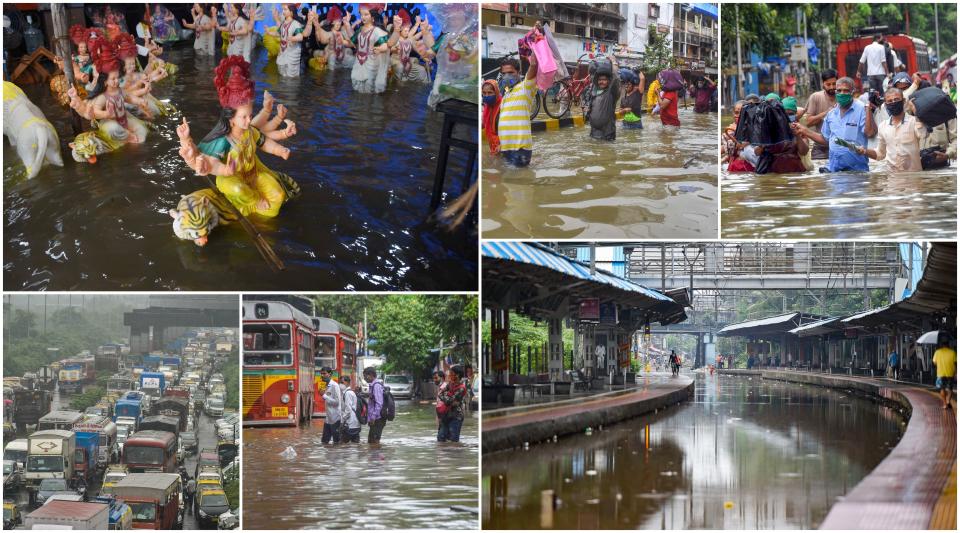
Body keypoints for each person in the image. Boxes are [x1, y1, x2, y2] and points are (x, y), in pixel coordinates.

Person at [175, 56, 301, 219]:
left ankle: (259, 216)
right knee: (237, 189)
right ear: (230, 118)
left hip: (253, 174)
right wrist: (188, 144)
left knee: (277, 195)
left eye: (250, 115)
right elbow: (211, 164)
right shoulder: (223, 140)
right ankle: (252, 203)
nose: (249, 121)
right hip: (230, 179)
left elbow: (264, 142)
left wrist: (279, 150)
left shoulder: (249, 131)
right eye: (244, 117)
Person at [794, 77, 874, 172]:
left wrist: (869, 109)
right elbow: (825, 139)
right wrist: (805, 131)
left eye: (846, 90)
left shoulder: (862, 109)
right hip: (834, 170)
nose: (842, 93)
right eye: (839, 90)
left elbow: (869, 133)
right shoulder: (831, 114)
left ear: (853, 92)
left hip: (857, 170)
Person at [855, 87, 928, 172]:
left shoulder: (914, 121)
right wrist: (864, 151)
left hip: (913, 178)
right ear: (885, 105)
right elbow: (880, 154)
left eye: (896, 99)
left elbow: (924, 135)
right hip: (892, 180)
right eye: (889, 101)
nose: (893, 103)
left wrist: (916, 111)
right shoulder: (883, 126)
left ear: (903, 101)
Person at [497, 50, 538, 167]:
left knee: (518, 181)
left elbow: (533, 67)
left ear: (518, 72)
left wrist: (535, 46)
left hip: (520, 149)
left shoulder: (525, 88)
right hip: (506, 148)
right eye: (504, 73)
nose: (507, 76)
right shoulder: (506, 93)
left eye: (510, 72)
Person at [344, 5, 395, 94]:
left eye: (366, 14)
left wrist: (380, 49)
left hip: (371, 63)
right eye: (361, 14)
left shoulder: (377, 31)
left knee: (369, 89)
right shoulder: (360, 29)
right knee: (356, 86)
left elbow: (385, 45)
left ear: (373, 17)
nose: (362, 17)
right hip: (358, 62)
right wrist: (347, 24)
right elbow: (353, 41)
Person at [805, 69, 838, 160]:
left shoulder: (842, 97)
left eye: (834, 84)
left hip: (840, 147)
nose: (832, 87)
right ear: (823, 84)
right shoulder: (816, 97)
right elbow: (808, 122)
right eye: (828, 84)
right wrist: (827, 113)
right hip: (820, 148)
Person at [270, 4, 311, 77]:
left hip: (292, 53)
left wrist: (292, 38)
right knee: (281, 71)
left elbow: (300, 37)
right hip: (283, 52)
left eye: (285, 9)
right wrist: (269, 32)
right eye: (283, 9)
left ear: (291, 12)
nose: (283, 11)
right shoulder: (283, 24)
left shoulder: (296, 24)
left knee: (291, 76)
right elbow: (279, 33)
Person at [586, 56, 620, 141]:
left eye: (604, 80)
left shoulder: (611, 92)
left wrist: (613, 62)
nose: (601, 82)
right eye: (600, 80)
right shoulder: (594, 92)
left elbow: (615, 78)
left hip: (607, 134)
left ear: (609, 81)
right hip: (594, 133)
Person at [437, 365, 467, 442]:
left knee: (453, 440)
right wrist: (448, 398)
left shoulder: (461, 388)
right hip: (446, 414)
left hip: (456, 416)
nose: (450, 375)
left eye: (451, 373)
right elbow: (440, 394)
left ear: (457, 375)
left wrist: (446, 396)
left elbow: (449, 401)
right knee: (441, 437)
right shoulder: (450, 384)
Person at [363, 366, 387, 444]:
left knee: (374, 443)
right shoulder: (372, 385)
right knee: (371, 442)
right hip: (375, 419)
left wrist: (373, 417)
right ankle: (374, 455)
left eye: (365, 376)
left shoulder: (376, 386)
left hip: (377, 419)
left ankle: (376, 456)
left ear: (370, 375)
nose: (364, 378)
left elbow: (379, 403)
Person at [319, 366, 342, 444]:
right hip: (328, 419)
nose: (322, 375)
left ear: (330, 374)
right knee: (324, 442)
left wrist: (324, 396)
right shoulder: (326, 385)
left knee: (336, 442)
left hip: (335, 418)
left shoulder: (334, 386)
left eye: (324, 373)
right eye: (321, 374)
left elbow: (337, 402)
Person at [932, 337, 956, 409]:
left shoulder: (937, 352)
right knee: (950, 389)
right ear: (948, 345)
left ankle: (945, 404)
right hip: (950, 373)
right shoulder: (952, 352)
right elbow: (955, 363)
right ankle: (948, 401)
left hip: (941, 373)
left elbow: (934, 363)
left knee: (942, 389)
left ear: (941, 345)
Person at [481, 79, 502, 155]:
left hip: (502, 147)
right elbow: (484, 124)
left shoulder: (503, 106)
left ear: (496, 92)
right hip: (493, 146)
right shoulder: (487, 107)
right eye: (484, 93)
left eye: (490, 93)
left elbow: (511, 128)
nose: (486, 96)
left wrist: (502, 145)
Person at [339, 375, 361, 443]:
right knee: (355, 445)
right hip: (355, 424)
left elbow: (348, 410)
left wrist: (342, 421)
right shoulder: (350, 392)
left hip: (349, 424)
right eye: (340, 383)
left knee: (343, 445)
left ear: (348, 383)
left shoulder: (348, 393)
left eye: (342, 382)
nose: (340, 384)